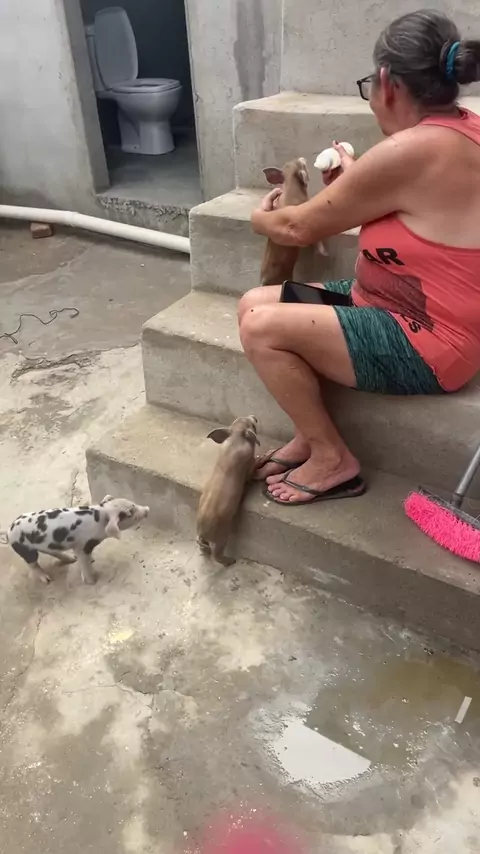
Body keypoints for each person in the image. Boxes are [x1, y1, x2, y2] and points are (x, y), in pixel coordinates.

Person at [237, 9, 480, 506]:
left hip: (427, 340)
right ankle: (309, 435)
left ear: (386, 81)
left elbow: (297, 227)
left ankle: (333, 459)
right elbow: (414, 199)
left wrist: (261, 218)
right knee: (253, 302)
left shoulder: (411, 151)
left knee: (261, 328)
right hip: (385, 303)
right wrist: (357, 178)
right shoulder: (462, 129)